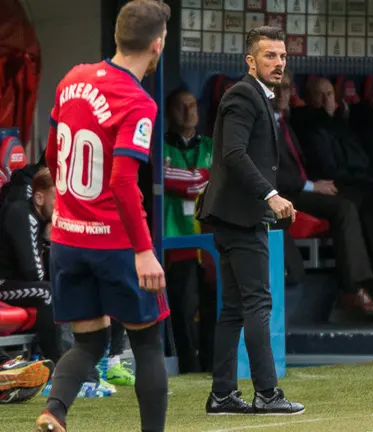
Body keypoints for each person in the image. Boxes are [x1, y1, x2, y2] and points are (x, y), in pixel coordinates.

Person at [35, 1, 171, 430]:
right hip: (113, 244)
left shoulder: (71, 79)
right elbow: (123, 182)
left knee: (89, 340)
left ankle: (53, 411)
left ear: (117, 36)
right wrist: (144, 251)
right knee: (148, 342)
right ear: (157, 43)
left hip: (68, 240)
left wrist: (64, 212)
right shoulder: (137, 101)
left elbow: (53, 156)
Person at [197, 26, 304, 415]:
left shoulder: (258, 95)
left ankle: (223, 394)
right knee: (257, 304)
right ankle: (267, 393)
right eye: (270, 56)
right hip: (241, 218)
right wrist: (270, 195)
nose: (278, 63)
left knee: (233, 309)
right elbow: (234, 153)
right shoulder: (244, 94)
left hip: (229, 216)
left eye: (282, 56)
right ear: (250, 60)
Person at [274, 72, 373, 316]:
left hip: (302, 187)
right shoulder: (274, 122)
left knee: (368, 197)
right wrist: (311, 186)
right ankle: (351, 290)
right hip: (281, 194)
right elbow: (269, 171)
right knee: (344, 207)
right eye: (276, 88)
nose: (281, 94)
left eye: (285, 88)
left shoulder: (282, 120)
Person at [162, 88, 216, 373]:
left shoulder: (211, 145)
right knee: (182, 307)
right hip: (176, 238)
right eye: (181, 106)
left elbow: (212, 180)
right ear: (170, 112)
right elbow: (171, 178)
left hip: (208, 239)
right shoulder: (160, 148)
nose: (188, 111)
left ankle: (210, 362)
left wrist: (191, 179)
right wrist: (199, 177)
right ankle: (189, 364)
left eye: (192, 105)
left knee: (211, 304)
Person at [0, 168, 61, 364]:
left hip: (17, 283)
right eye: (55, 199)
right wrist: (47, 242)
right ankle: (57, 363)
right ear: (39, 198)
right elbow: (33, 272)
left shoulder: (40, 219)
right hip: (3, 284)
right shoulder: (22, 214)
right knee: (47, 292)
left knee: (62, 289)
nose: (59, 206)